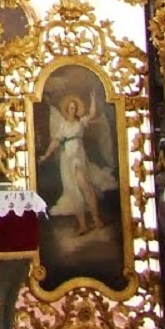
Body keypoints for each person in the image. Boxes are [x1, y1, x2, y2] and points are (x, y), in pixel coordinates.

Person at [40, 91, 116, 237]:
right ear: (67, 109)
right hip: (66, 158)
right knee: (73, 189)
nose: (72, 110)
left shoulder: (80, 122)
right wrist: (45, 155)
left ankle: (97, 219)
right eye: (70, 108)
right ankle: (82, 225)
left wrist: (92, 99)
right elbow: (55, 142)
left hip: (78, 156)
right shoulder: (63, 125)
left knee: (85, 186)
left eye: (75, 108)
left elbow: (92, 114)